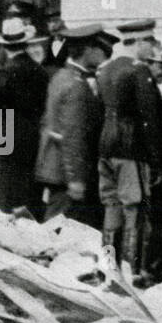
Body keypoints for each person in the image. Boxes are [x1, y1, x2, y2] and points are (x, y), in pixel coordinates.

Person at [97, 19, 162, 271]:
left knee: (111, 208)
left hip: (106, 146)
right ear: (137, 42)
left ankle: (108, 266)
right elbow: (150, 121)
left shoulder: (105, 69)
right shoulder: (139, 71)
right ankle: (131, 270)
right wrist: (157, 161)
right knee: (134, 210)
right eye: (150, 40)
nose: (154, 45)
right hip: (131, 149)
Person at [35, 24, 116, 228]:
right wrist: (76, 179)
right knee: (61, 233)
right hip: (68, 174)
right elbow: (73, 135)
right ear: (88, 50)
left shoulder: (63, 76)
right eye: (101, 52)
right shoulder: (77, 86)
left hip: (57, 169)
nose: (105, 58)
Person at [0, 16, 49, 214]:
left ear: (5, 47)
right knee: (30, 190)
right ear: (25, 43)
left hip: (6, 136)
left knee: (8, 191)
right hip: (33, 136)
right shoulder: (39, 71)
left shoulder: (4, 74)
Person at [139, 44, 162, 285]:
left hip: (154, 166)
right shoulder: (147, 90)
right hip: (154, 168)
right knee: (154, 222)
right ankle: (149, 270)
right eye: (161, 66)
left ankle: (148, 269)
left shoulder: (151, 89)